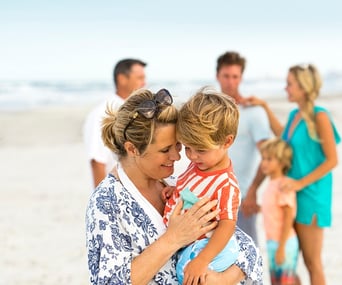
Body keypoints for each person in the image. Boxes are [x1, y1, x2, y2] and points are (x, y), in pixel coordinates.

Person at [85, 88, 264, 285]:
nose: (178, 157)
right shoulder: (106, 202)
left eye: (178, 146)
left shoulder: (177, 183)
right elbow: (110, 281)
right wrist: (173, 239)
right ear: (132, 149)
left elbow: (245, 247)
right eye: (165, 150)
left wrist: (223, 279)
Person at [250, 64, 341, 285]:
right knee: (289, 262)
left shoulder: (320, 117)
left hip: (311, 195)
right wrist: (264, 107)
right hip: (291, 194)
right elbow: (283, 137)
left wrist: (300, 183)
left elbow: (332, 160)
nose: (286, 88)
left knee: (312, 262)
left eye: (289, 84)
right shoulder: (295, 115)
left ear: (303, 87)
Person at [163, 87, 241, 284]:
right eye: (187, 148)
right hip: (188, 244)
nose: (192, 156)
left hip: (207, 248)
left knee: (189, 275)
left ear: (227, 141)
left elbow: (227, 225)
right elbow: (194, 189)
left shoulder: (226, 185)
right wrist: (177, 191)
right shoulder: (198, 164)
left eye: (200, 150)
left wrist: (202, 260)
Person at [216, 51, 271, 245]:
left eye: (235, 77)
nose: (230, 82)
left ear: (241, 78)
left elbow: (269, 156)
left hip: (242, 200)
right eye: (226, 76)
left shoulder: (253, 113)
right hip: (211, 200)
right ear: (217, 76)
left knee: (247, 260)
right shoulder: (210, 112)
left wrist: (254, 191)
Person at [83, 58, 146, 188]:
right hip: (114, 191)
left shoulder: (138, 111)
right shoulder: (102, 113)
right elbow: (97, 161)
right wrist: (103, 200)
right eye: (139, 78)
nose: (144, 83)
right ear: (122, 79)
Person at [259, 138, 300, 285]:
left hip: (284, 242)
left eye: (269, 159)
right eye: (263, 158)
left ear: (282, 163)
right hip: (272, 242)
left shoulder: (284, 185)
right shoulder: (271, 184)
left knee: (285, 281)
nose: (264, 163)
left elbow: (289, 217)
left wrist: (281, 247)